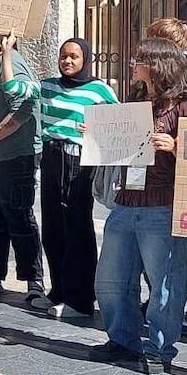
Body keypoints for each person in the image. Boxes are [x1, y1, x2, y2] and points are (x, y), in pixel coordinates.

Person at [91, 37, 187, 373]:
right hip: (127, 198)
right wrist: (96, 136)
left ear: (157, 65)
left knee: (164, 279)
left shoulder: (183, 105)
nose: (132, 63)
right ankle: (122, 338)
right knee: (111, 278)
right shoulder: (136, 98)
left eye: (139, 58)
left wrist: (175, 143)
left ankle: (160, 347)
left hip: (161, 203)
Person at [36, 38, 117, 317]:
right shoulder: (47, 86)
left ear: (86, 60)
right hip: (51, 157)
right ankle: (58, 289)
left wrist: (94, 129)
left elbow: (120, 124)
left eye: (74, 57)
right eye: (63, 56)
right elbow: (13, 89)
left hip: (79, 162)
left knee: (77, 227)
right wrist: (8, 52)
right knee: (53, 228)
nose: (68, 61)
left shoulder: (99, 90)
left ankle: (80, 299)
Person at [0, 29, 44, 300]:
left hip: (15, 155)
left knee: (18, 216)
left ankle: (33, 280)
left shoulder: (11, 63)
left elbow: (23, 108)